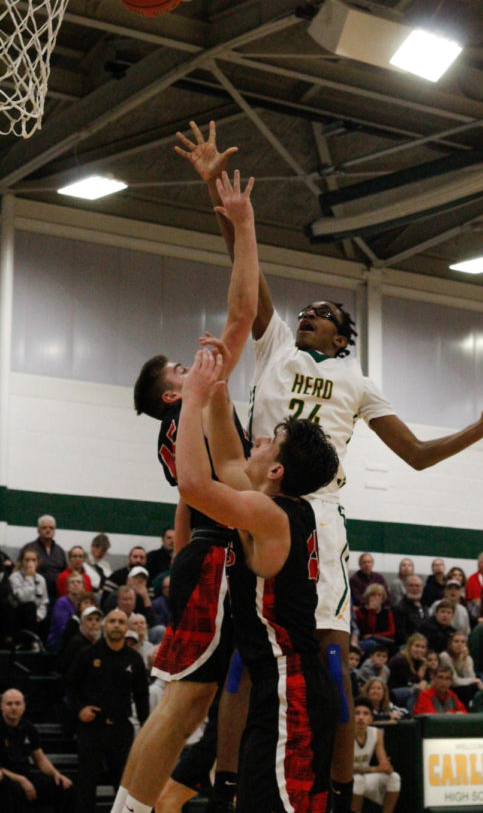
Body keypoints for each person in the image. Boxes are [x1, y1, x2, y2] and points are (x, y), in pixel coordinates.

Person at [180, 117, 483, 812]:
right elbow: (247, 281)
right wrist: (228, 214)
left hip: (317, 516)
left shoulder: (360, 381)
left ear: (344, 335)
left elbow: (415, 454)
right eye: (307, 309)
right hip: (256, 495)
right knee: (248, 662)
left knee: (330, 658)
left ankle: (339, 791)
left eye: (323, 313)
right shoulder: (276, 346)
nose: (308, 314)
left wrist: (480, 426)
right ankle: (227, 787)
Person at [113, 168, 259, 813]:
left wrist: (177, 560)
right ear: (174, 392)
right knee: (184, 698)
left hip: (206, 552)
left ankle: (205, 793)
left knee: (212, 690)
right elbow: (244, 311)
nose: (192, 362)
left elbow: (184, 503)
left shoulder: (180, 425)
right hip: (219, 553)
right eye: (181, 367)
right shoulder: (193, 406)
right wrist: (242, 223)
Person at [175, 345, 341, 812]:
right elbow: (228, 459)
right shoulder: (276, 506)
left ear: (276, 471)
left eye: (268, 441)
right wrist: (217, 387)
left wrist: (191, 399)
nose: (258, 440)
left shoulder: (269, 514)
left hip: (292, 689)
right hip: (284, 689)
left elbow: (194, 484)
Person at [66, 608, 149, 813]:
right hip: (92, 727)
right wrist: (79, 709)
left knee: (123, 785)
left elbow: (141, 697)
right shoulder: (88, 654)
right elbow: (70, 686)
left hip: (121, 728)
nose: (116, 625)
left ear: (127, 627)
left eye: (121, 622)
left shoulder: (134, 659)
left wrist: (146, 731)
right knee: (86, 784)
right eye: (112, 621)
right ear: (105, 625)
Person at [0, 688, 74, 812]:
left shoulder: (28, 727)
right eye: (9, 704)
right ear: (1, 706)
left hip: (25, 774)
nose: (14, 707)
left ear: (24, 706)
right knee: (14, 790)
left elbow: (40, 759)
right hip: (6, 777)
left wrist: (56, 774)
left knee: (65, 788)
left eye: (17, 704)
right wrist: (21, 780)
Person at [352, 699, 401, 813]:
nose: (361, 717)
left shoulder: (376, 733)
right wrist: (375, 769)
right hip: (348, 781)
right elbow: (346, 770)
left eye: (365, 714)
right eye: (357, 713)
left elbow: (383, 763)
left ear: (371, 719)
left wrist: (387, 768)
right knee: (358, 780)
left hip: (365, 777)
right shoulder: (345, 735)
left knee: (394, 777)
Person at [20, 515, 66, 600]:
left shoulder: (60, 551)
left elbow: (65, 572)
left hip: (57, 596)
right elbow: (20, 571)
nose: (48, 530)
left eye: (51, 528)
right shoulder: (29, 548)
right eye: (44, 527)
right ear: (38, 530)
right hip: (35, 594)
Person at [9, 549, 49, 643]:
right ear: (22, 561)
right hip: (19, 613)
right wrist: (30, 578)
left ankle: (41, 647)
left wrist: (39, 615)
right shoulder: (14, 577)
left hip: (36, 616)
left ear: (38, 562)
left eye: (33, 560)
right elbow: (24, 598)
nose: (30, 563)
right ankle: (31, 643)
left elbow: (44, 602)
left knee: (47, 619)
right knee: (30, 606)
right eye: (27, 560)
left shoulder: (41, 579)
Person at [439, 632, 483, 703]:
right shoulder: (445, 657)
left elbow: (471, 677)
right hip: (449, 687)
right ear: (450, 644)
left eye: (463, 642)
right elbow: (454, 681)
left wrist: (464, 660)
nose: (459, 644)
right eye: (456, 641)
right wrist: (475, 681)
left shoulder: (468, 658)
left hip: (462, 689)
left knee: (472, 688)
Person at [47, 573, 85, 650]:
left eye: (78, 582)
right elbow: (63, 630)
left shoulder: (86, 603)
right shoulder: (61, 603)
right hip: (59, 640)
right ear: (67, 587)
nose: (75, 584)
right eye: (72, 582)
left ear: (83, 587)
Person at [355, 584, 395, 653]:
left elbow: (391, 632)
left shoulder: (387, 613)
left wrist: (374, 636)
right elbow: (370, 629)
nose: (376, 597)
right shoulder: (359, 612)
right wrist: (371, 611)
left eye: (379, 595)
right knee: (372, 644)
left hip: (383, 640)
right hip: (364, 641)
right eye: (373, 595)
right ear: (368, 597)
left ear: (383, 598)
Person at [393, 574, 428, 646]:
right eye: (411, 586)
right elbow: (401, 634)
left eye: (417, 586)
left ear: (422, 588)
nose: (414, 589)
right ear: (405, 588)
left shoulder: (425, 607)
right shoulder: (399, 608)